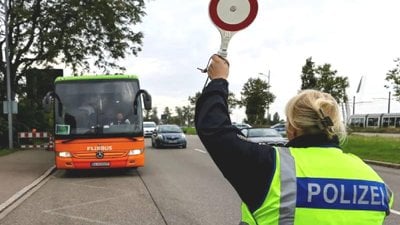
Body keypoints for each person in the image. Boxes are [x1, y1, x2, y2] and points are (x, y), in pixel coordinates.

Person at [194, 54, 394, 225]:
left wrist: (219, 80)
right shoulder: (376, 183)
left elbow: (215, 130)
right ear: (334, 126)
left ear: (293, 127)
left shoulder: (269, 166)